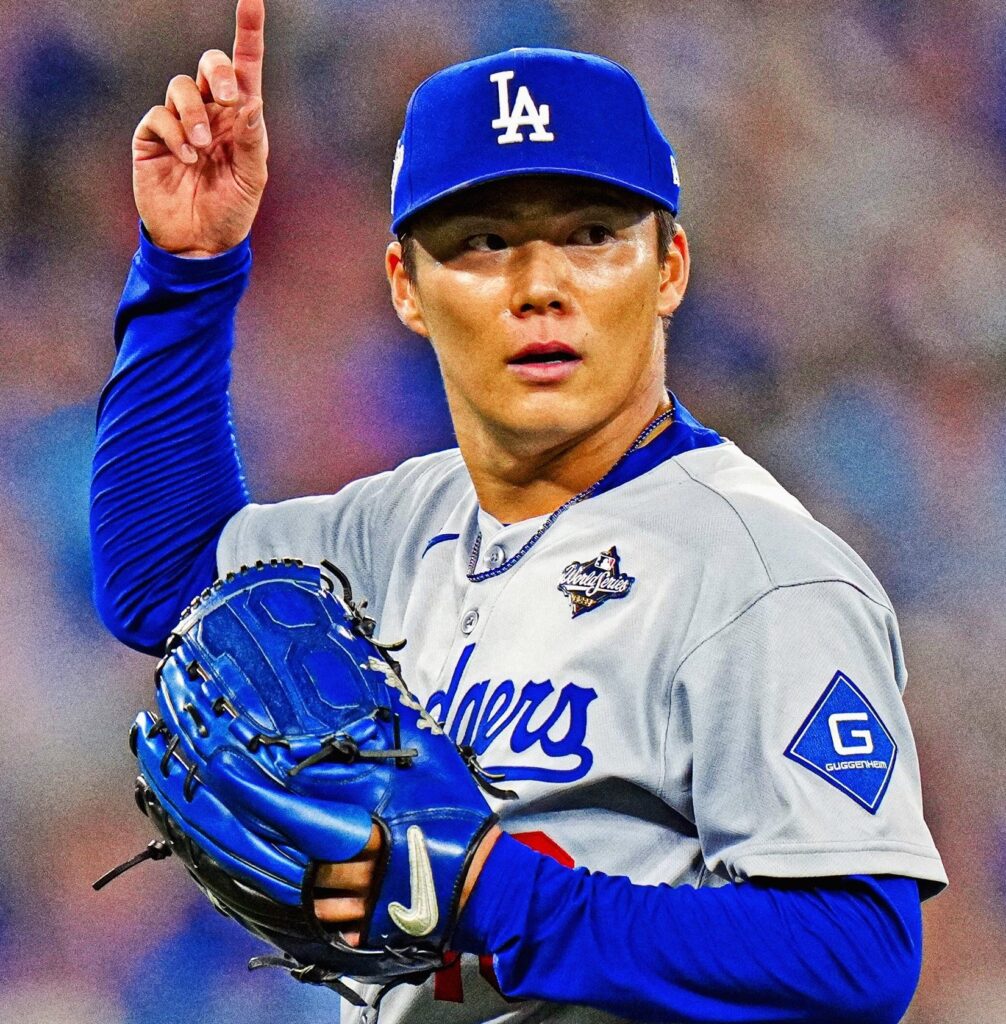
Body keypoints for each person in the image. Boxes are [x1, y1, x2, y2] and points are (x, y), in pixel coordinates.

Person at [90, 1, 947, 1021]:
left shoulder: (756, 572)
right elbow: (164, 580)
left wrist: (500, 896)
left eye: (590, 236)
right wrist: (187, 271)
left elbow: (858, 952)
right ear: (406, 287)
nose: (540, 285)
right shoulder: (393, 527)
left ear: (668, 267)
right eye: (484, 243)